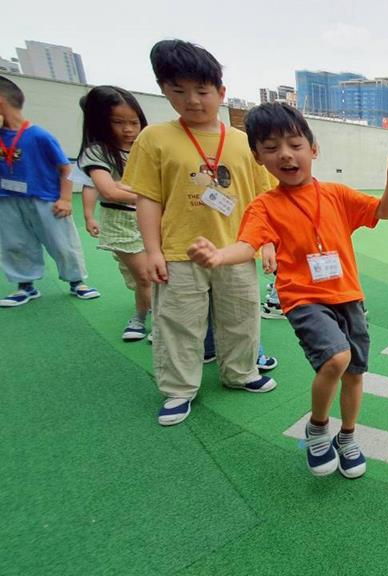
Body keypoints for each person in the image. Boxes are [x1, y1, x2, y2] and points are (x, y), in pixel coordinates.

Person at [187, 102, 388, 478]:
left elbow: (384, 211)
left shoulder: (336, 194)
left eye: (295, 144)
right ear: (258, 157)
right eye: (271, 148)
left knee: (354, 373)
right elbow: (247, 246)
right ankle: (318, 427)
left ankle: (347, 436)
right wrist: (219, 256)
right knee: (336, 359)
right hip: (303, 298)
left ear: (313, 149)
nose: (286, 154)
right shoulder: (264, 207)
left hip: (348, 295)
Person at [121, 40, 277, 426]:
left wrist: (268, 243)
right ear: (164, 90)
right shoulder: (154, 139)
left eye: (202, 91)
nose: (192, 101)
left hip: (237, 250)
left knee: (241, 317)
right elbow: (148, 199)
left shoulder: (243, 142)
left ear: (221, 92)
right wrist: (152, 250)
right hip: (179, 251)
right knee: (179, 322)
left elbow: (263, 199)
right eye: (179, 90)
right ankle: (179, 389)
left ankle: (240, 372)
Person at [0, 75, 100, 307]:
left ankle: (76, 281)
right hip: (7, 199)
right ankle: (25, 285)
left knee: (61, 242)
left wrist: (66, 199)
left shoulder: (38, 135)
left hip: (45, 199)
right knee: (15, 242)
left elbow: (65, 168)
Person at [76, 86, 151, 340]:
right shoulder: (98, 151)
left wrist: (124, 187)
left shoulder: (146, 146)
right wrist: (89, 215)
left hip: (153, 220)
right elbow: (106, 190)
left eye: (134, 122)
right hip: (121, 222)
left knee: (157, 273)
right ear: (101, 121)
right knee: (144, 276)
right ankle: (143, 318)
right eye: (118, 122)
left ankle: (152, 312)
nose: (128, 129)